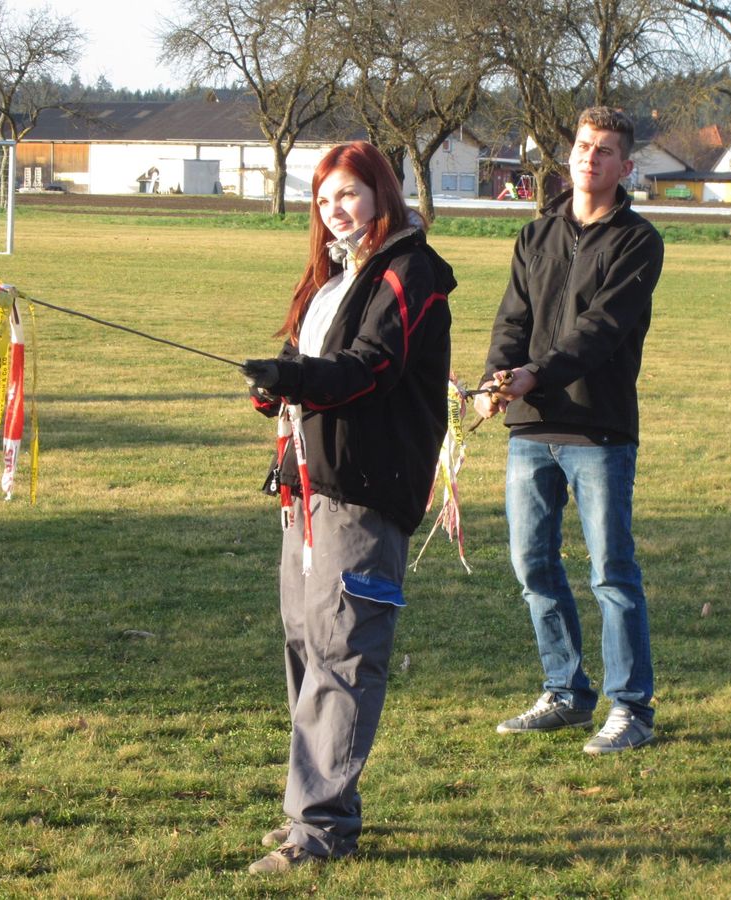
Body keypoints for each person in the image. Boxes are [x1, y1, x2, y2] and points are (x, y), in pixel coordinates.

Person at [241, 141, 454, 873]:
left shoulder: (409, 271)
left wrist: (297, 378)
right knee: (306, 646)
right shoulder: (331, 277)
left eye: (350, 194)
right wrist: (275, 385)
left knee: (342, 653)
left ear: (381, 193)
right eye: (325, 197)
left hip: (364, 489)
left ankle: (321, 830)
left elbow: (372, 367)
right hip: (306, 488)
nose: (337, 209)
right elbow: (309, 368)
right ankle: (313, 808)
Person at [473, 106, 663, 756]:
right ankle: (566, 693)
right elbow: (512, 320)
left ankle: (631, 708)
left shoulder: (638, 242)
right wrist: (498, 379)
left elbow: (600, 331)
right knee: (533, 565)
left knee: (611, 571)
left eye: (605, 150)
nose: (590, 157)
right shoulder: (536, 235)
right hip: (530, 427)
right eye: (584, 146)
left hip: (598, 428)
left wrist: (536, 375)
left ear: (625, 165)